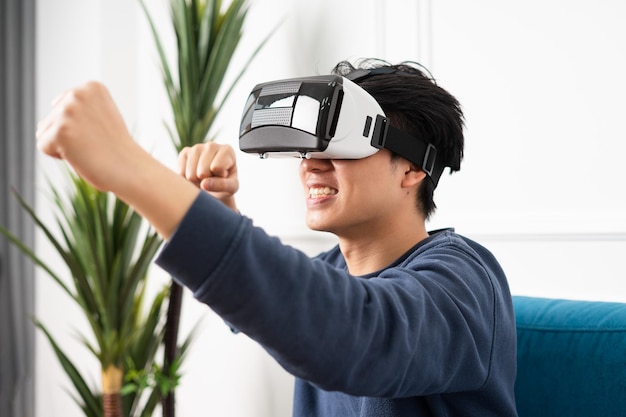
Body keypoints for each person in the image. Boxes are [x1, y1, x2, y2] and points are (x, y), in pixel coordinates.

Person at [36, 58, 518, 416]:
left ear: (413, 166)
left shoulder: (463, 280)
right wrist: (216, 210)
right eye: (309, 146)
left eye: (340, 144)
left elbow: (355, 335)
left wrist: (131, 168)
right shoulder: (334, 269)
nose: (311, 162)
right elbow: (272, 305)